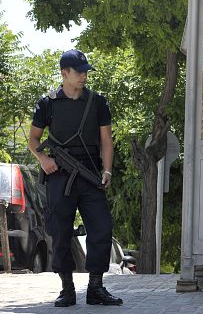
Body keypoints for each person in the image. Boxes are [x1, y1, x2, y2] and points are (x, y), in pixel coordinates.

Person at [28, 49, 122, 307]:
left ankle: (96, 288)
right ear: (64, 73)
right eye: (79, 72)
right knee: (60, 232)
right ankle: (67, 288)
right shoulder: (48, 103)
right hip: (59, 175)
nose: (83, 76)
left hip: (90, 174)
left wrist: (107, 170)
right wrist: (43, 159)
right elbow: (33, 139)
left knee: (102, 228)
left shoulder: (97, 102)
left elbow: (106, 140)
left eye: (85, 72)